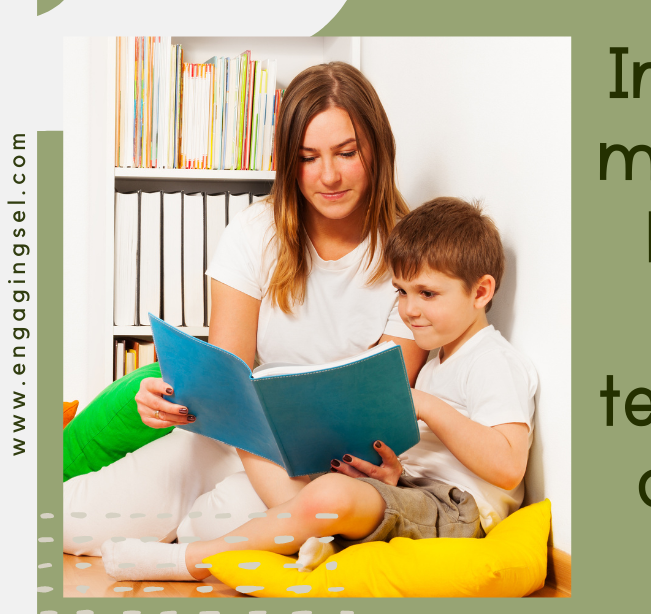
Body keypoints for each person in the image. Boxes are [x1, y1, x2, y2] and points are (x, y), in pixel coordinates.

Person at [64, 62, 427, 555]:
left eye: (347, 152)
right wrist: (168, 397)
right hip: (239, 442)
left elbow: (384, 393)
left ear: (377, 151)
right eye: (308, 157)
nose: (329, 175)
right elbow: (225, 375)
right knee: (72, 525)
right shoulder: (255, 234)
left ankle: (194, 542)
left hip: (334, 463)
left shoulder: (410, 255)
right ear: (287, 162)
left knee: (211, 530)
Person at [100, 197, 538, 582]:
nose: (408, 310)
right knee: (265, 443)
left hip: (454, 510)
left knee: (328, 494)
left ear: (481, 291)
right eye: (402, 292)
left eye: (427, 294)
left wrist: (424, 405)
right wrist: (393, 476)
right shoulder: (440, 356)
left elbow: (507, 465)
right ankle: (317, 539)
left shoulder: (492, 361)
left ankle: (189, 561)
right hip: (414, 494)